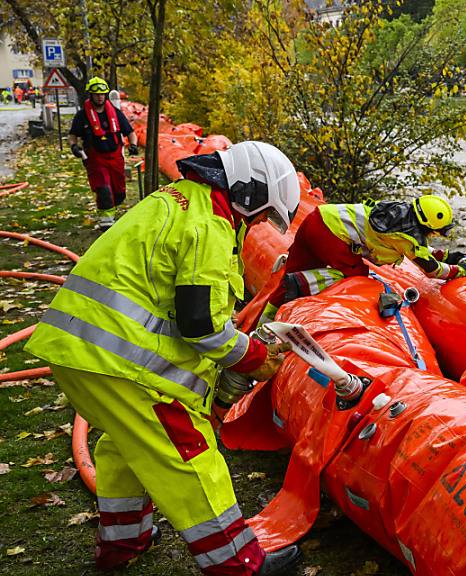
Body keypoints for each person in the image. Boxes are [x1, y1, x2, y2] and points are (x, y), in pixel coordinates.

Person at [25, 141, 305, 576]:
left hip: (78, 349)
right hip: (118, 363)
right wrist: (255, 356)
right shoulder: (209, 224)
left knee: (124, 448)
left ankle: (124, 541)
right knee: (188, 454)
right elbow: (202, 327)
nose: (257, 225)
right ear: (247, 193)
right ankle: (240, 564)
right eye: (262, 214)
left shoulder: (176, 199)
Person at [259, 195, 466, 324]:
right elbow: (432, 270)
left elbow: (419, 250)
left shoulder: (398, 212)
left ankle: (263, 320)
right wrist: (460, 269)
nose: (435, 236)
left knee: (290, 272)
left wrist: (447, 256)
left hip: (318, 218)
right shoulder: (408, 238)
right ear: (428, 225)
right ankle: (301, 283)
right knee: (357, 275)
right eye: (436, 232)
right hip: (332, 237)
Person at [67, 77, 139, 230]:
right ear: (91, 95)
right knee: (104, 189)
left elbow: (130, 132)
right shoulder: (82, 116)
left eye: (102, 94)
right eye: (96, 94)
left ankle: (111, 210)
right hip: (95, 159)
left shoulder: (116, 114)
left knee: (119, 193)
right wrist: (74, 147)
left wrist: (133, 145)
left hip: (115, 158)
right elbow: (73, 135)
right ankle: (106, 223)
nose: (99, 97)